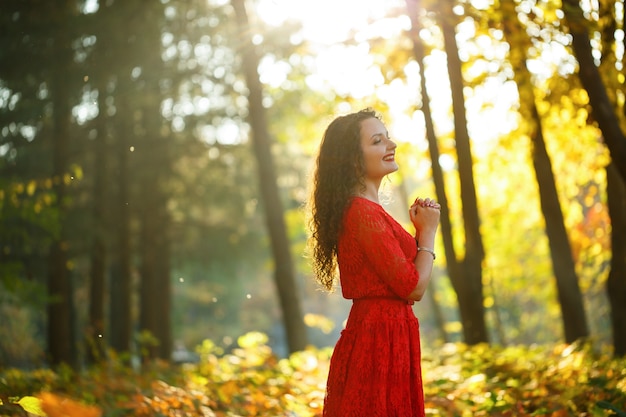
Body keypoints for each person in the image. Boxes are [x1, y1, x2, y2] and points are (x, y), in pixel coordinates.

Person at [306, 108, 441, 417]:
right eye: (378, 141)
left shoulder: (368, 210)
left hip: (389, 333)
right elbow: (413, 287)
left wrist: (420, 233)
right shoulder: (361, 213)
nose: (391, 145)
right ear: (353, 159)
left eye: (388, 138)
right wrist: (429, 233)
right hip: (378, 337)